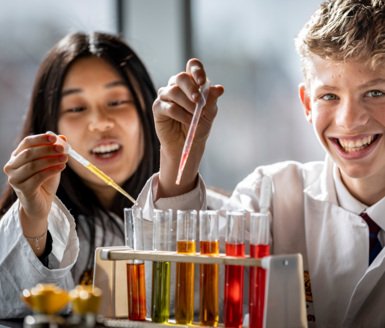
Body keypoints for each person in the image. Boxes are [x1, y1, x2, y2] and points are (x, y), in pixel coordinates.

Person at [135, 0, 385, 326]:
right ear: (307, 104)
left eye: (375, 93)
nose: (349, 120)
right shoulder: (270, 196)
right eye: (329, 96)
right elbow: (172, 302)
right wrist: (176, 161)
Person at [0, 31, 159, 318]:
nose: (99, 123)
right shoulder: (38, 226)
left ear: (148, 112)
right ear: (49, 126)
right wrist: (34, 216)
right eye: (76, 108)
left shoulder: (201, 209)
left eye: (116, 102)